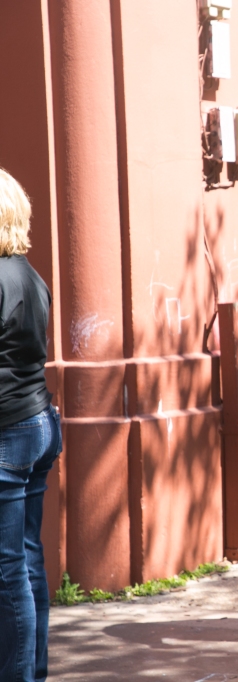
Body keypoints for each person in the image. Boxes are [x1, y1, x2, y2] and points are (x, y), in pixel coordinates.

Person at [0, 168, 63, 682]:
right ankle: (33, 671)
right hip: (38, 424)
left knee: (8, 572)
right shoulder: (30, 275)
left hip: (9, 435)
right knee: (25, 560)